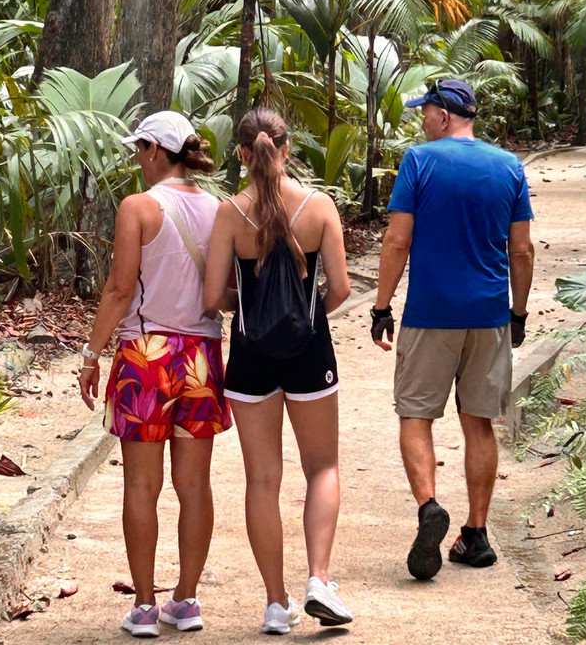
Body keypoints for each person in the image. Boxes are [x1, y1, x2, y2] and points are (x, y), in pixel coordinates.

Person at [369, 78, 535, 581]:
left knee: (415, 415)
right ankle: (476, 535)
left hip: (431, 313)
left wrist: (381, 307)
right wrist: (518, 314)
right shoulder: (509, 166)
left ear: (444, 116)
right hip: (489, 315)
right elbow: (522, 250)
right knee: (479, 422)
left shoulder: (419, 161)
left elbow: (397, 241)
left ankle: (429, 507)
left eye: (425, 112)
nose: (422, 120)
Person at [78, 111, 232, 638]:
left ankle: (144, 606)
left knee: (142, 485)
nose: (137, 160)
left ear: (154, 150)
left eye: (139, 149)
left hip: (147, 356)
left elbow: (120, 290)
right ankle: (185, 599)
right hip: (201, 357)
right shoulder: (218, 208)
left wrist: (91, 353)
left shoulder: (138, 207)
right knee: (196, 485)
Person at [203, 108, 352, 635]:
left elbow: (212, 296)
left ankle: (274, 603)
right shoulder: (319, 207)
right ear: (286, 148)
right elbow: (341, 289)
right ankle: (319, 580)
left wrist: (252, 308)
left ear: (242, 154)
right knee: (322, 468)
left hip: (250, 358)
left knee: (262, 480)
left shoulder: (229, 214)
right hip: (310, 352)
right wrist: (303, 316)